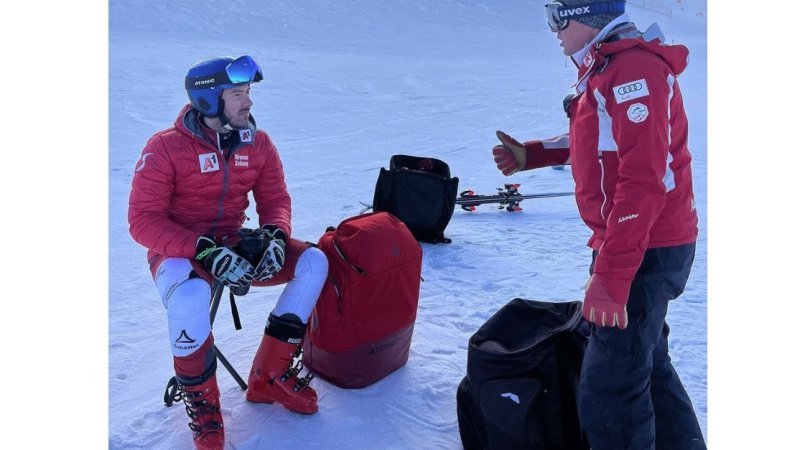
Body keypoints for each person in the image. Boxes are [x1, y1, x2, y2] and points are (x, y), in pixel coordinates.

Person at [491, 1, 706, 448]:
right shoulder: (611, 62)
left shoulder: (632, 70)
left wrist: (612, 275)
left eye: (557, 17)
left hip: (642, 246)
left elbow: (645, 181)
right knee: (645, 365)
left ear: (585, 15)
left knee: (611, 392)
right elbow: (601, 137)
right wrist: (536, 153)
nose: (553, 30)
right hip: (635, 243)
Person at [128, 55, 329, 450]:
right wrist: (201, 249)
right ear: (208, 100)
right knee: (190, 294)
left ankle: (268, 377)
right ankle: (204, 406)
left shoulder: (259, 143)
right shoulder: (165, 148)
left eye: (249, 92)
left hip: (234, 243)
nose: (248, 103)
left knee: (313, 260)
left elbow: (275, 199)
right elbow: (143, 221)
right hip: (178, 251)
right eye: (237, 94)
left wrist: (274, 234)